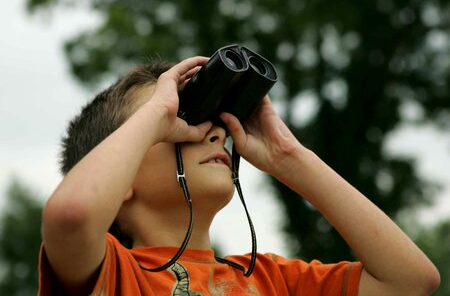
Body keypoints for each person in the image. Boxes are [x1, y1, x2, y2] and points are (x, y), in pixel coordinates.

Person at [39, 56, 440, 295]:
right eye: (181, 120)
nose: (214, 132)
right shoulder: (113, 274)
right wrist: (159, 112)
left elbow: (410, 281)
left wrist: (289, 156)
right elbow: (72, 213)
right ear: (121, 180)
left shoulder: (272, 280)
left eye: (212, 120)